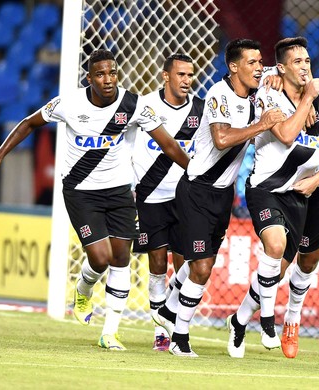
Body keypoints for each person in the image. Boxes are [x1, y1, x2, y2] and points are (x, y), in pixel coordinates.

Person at [0, 49, 190, 351]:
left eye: (112, 73)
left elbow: (167, 143)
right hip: (80, 191)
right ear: (89, 78)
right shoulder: (69, 103)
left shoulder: (133, 105)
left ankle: (110, 332)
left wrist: (195, 173)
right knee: (100, 258)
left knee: (121, 257)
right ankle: (84, 288)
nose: (108, 79)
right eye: (100, 74)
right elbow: (29, 123)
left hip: (119, 191)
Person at [151, 38, 286, 357]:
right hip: (198, 189)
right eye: (252, 63)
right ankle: (179, 339)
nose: (258, 67)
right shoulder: (218, 95)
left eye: (260, 62)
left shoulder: (256, 87)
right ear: (234, 67)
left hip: (222, 194)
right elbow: (222, 138)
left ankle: (168, 310)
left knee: (202, 258)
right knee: (202, 266)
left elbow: (282, 69)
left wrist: (277, 72)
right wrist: (260, 125)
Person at [226, 37, 319, 359]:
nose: (305, 67)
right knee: (275, 245)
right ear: (281, 68)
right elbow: (284, 134)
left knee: (275, 273)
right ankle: (268, 322)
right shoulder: (270, 92)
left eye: (308, 61)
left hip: (298, 196)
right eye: (297, 62)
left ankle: (238, 321)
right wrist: (307, 98)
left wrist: (318, 179)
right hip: (265, 190)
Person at [131, 53, 203, 351]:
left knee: (186, 264)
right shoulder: (144, 106)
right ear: (165, 76)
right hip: (150, 196)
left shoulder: (201, 110)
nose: (187, 80)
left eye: (190, 75)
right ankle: (161, 332)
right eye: (181, 75)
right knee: (158, 264)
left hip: (186, 197)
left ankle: (169, 316)